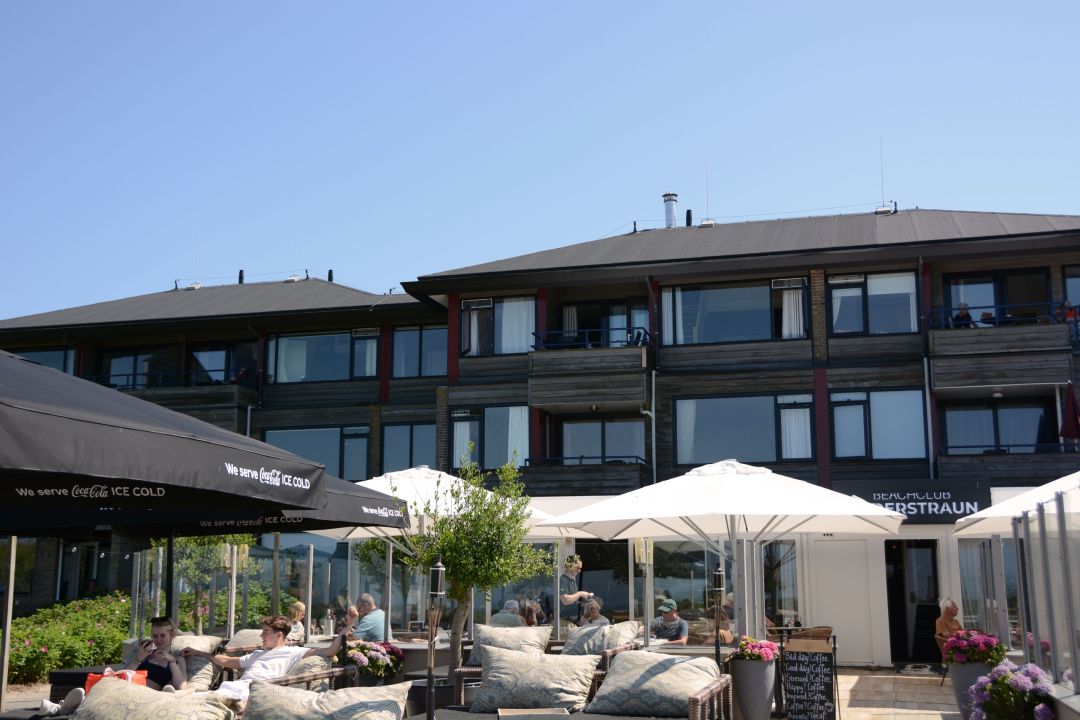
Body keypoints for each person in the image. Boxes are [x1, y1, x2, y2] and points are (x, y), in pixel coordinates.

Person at [182, 615, 348, 708]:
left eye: (265, 631)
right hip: (235, 688)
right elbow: (226, 661)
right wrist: (198, 652)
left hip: (255, 693)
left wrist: (343, 632)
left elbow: (330, 651)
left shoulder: (293, 652)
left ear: (279, 635)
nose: (261, 635)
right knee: (189, 697)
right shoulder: (257, 654)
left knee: (202, 701)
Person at [559, 554, 592, 629]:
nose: (579, 571)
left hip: (572, 623)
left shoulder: (572, 581)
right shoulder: (563, 580)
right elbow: (565, 600)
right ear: (569, 566)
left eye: (580, 568)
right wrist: (580, 594)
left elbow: (573, 601)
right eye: (578, 568)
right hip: (565, 624)